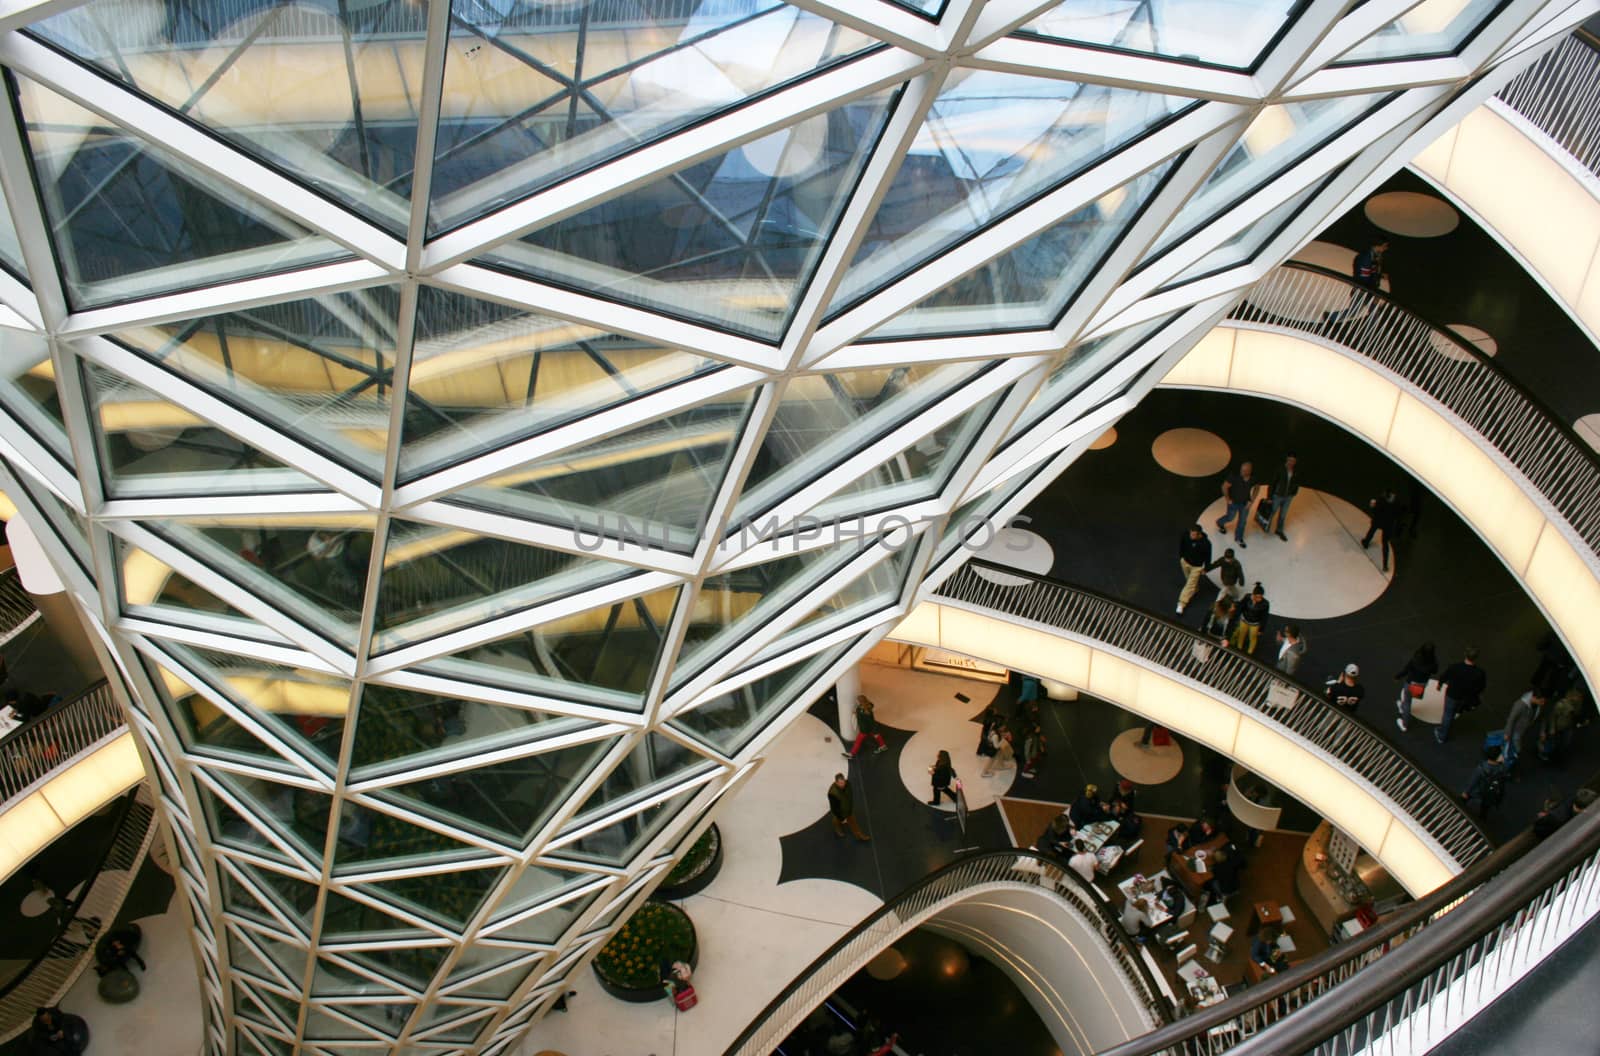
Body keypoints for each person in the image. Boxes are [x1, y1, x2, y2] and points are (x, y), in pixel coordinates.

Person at [1436, 647, 1488, 745]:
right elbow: (1481, 687)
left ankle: (1442, 735)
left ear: (1465, 654)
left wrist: (1440, 684)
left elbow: (1444, 676)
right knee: (1454, 712)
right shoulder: (1480, 673)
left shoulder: (1455, 667)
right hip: (1466, 698)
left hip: (1452, 695)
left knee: (1447, 714)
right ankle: (1450, 721)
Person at [1394, 641, 1439, 733]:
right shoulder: (1433, 662)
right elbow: (1435, 671)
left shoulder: (1416, 659)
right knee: (1409, 699)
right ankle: (1402, 707)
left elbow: (1406, 669)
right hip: (1422, 684)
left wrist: (1397, 677)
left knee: (1407, 702)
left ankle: (1404, 724)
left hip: (1411, 683)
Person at [1502, 688, 1548, 776]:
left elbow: (1542, 718)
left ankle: (1509, 765)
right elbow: (1511, 719)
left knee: (1514, 750)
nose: (1543, 704)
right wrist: (1507, 733)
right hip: (1516, 731)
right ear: (1534, 698)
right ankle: (1506, 769)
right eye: (1541, 701)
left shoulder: (1538, 706)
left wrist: (1542, 731)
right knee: (1515, 750)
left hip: (1524, 730)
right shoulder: (1520, 705)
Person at [1258, 455, 1301, 540]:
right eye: (1289, 460)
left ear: (1295, 462)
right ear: (1287, 460)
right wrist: (1269, 497)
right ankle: (1266, 527)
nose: (1291, 463)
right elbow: (1272, 483)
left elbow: (1296, 482)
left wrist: (1294, 492)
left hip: (1288, 497)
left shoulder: (1295, 471)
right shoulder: (1280, 469)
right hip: (1277, 496)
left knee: (1283, 514)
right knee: (1271, 512)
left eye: (1293, 461)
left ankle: (1279, 530)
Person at [1215, 461, 1258, 547]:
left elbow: (1257, 487)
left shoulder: (1253, 477)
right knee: (1230, 517)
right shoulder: (1234, 476)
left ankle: (1238, 538)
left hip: (1245, 503)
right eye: (1242, 470)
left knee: (1242, 522)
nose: (1243, 472)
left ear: (1250, 471)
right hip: (1233, 502)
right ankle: (1220, 522)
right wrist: (1228, 499)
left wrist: (1252, 500)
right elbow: (1224, 486)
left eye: (1245, 471)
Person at [1461, 746, 1507, 820]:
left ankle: (1461, 806)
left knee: (1467, 797)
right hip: (1490, 793)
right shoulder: (1501, 768)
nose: (1503, 756)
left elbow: (1473, 781)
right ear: (1496, 758)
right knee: (1485, 806)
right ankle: (1482, 818)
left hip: (1479, 790)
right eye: (1501, 754)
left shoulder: (1481, 768)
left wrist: (1466, 792)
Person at [1177, 523, 1213, 614]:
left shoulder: (1206, 544)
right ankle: (1195, 588)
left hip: (1196, 567)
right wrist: (1181, 557)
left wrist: (1207, 568)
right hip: (1185, 562)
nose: (1191, 536)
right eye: (1191, 533)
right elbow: (1182, 545)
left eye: (1193, 535)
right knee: (1189, 580)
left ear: (1199, 534)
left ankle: (1181, 603)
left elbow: (1208, 557)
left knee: (1189, 584)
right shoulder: (1186, 535)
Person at [1362, 489, 1400, 572]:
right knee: (1385, 543)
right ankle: (1385, 565)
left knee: (1372, 530)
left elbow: (1375, 510)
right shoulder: (1396, 504)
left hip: (1378, 521)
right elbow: (1397, 515)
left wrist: (1372, 505)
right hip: (1388, 525)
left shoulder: (1381, 500)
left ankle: (1366, 543)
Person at [827, 773, 870, 840]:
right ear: (836, 783)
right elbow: (834, 808)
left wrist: (850, 807)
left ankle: (859, 835)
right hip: (840, 812)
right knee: (837, 819)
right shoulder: (832, 793)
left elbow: (850, 795)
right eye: (840, 783)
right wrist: (841, 817)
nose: (842, 784)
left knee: (852, 822)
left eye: (843, 782)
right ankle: (838, 828)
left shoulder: (848, 784)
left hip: (847, 809)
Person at [1231, 584, 1270, 654]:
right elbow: (1241, 606)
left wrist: (1261, 629)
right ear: (1253, 595)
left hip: (1255, 624)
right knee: (1241, 636)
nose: (1259, 599)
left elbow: (1265, 617)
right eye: (1257, 597)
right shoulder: (1247, 597)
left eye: (1261, 597)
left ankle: (1250, 652)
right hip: (1244, 620)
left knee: (1253, 638)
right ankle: (1239, 649)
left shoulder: (1265, 604)